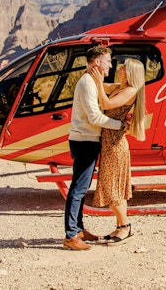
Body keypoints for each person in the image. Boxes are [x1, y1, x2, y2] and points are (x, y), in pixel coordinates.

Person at [62, 46, 126, 251]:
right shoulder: (87, 83)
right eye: (107, 61)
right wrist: (121, 125)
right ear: (97, 62)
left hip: (87, 139)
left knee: (80, 187)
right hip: (85, 141)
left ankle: (79, 229)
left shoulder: (90, 81)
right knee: (78, 189)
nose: (110, 64)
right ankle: (71, 235)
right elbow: (94, 117)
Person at [90, 58, 147, 245]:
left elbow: (106, 104)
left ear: (130, 72)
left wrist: (98, 83)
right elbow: (105, 87)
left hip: (115, 144)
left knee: (112, 187)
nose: (119, 69)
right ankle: (120, 226)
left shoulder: (130, 90)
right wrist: (93, 74)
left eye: (124, 67)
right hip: (110, 142)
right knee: (115, 187)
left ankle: (125, 227)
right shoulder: (121, 86)